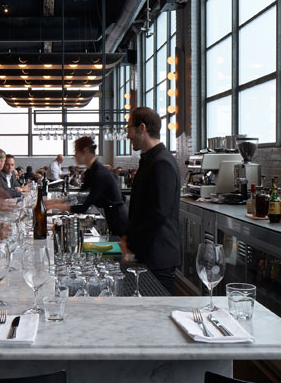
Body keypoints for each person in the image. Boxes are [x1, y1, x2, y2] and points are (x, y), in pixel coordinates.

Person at [124, 107, 182, 293]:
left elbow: (158, 214)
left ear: (142, 128)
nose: (127, 135)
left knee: (159, 314)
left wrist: (130, 244)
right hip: (149, 253)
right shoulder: (152, 160)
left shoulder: (161, 162)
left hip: (157, 256)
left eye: (129, 129)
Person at [46, 136, 128, 236]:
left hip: (119, 219)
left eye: (76, 151)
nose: (74, 155)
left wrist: (56, 206)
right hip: (111, 215)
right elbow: (81, 196)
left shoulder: (100, 173)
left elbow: (83, 207)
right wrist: (59, 201)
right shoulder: (91, 171)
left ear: (85, 150)